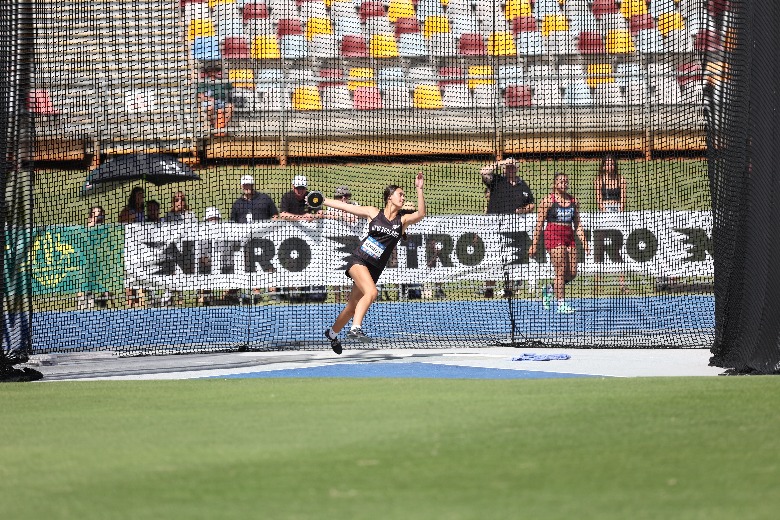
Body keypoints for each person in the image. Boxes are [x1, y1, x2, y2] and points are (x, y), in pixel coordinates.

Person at [323, 172, 426, 354]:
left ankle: (331, 333)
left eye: (404, 195)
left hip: (375, 269)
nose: (403, 197)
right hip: (359, 259)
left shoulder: (402, 220)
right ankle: (356, 328)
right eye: (400, 194)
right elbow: (346, 208)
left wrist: (419, 189)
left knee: (352, 306)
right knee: (372, 292)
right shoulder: (373, 212)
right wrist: (323, 200)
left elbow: (421, 213)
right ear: (389, 197)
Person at [528, 172, 590, 314]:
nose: (564, 184)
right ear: (555, 184)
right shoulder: (548, 201)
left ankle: (549, 288)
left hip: (569, 236)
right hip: (553, 236)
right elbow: (539, 225)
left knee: (572, 273)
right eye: (561, 181)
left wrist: (585, 242)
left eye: (566, 181)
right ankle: (561, 304)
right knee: (560, 271)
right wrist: (534, 244)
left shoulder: (574, 202)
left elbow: (578, 224)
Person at [480, 157, 535, 298]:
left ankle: (508, 289)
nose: (510, 168)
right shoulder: (497, 180)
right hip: (494, 226)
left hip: (513, 228)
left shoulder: (523, 185)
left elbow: (531, 204)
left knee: (510, 258)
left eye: (512, 166)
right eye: (507, 167)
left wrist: (523, 210)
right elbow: (483, 172)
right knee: (492, 258)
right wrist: (501, 163)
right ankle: (489, 289)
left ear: (517, 168)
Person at [594, 154, 628, 294]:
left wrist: (618, 212)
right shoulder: (598, 181)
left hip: (617, 214)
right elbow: (598, 201)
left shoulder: (621, 180)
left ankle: (622, 284)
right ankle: (597, 284)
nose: (610, 166)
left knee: (618, 248)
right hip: (604, 215)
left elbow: (623, 200)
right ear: (603, 166)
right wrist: (606, 212)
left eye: (612, 164)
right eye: (607, 164)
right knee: (599, 248)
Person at [326, 186, 360, 304]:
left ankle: (347, 299)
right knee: (336, 273)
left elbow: (355, 218)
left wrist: (345, 215)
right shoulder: (332, 207)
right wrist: (342, 216)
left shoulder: (355, 205)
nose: (344, 198)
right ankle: (337, 300)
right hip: (335, 244)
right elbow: (326, 215)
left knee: (349, 274)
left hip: (352, 244)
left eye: (346, 196)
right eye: (341, 196)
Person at [78, 206, 111, 310]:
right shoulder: (87, 229)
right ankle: (82, 306)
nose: (99, 215)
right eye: (96, 213)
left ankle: (102, 301)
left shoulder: (105, 230)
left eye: (100, 213)